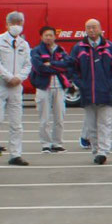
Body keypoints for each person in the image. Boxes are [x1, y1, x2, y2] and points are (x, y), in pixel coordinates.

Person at [70, 18, 112, 163]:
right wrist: (81, 84)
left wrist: (110, 83)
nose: (91, 30)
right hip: (88, 93)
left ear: (100, 29)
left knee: (105, 123)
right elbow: (72, 68)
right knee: (91, 125)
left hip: (105, 93)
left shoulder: (109, 47)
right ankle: (95, 150)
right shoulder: (79, 48)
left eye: (94, 27)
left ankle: (103, 151)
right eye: (88, 28)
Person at [0, 11, 33, 165]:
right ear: (6, 25)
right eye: (13, 22)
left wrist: (19, 78)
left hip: (16, 86)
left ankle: (15, 154)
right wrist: (8, 77)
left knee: (16, 123)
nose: (16, 26)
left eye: (19, 23)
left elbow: (27, 64)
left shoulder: (24, 44)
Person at [29, 25, 73, 153]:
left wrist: (52, 64)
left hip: (59, 87)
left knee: (59, 117)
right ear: (41, 37)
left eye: (51, 35)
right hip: (43, 87)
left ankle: (57, 143)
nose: (49, 37)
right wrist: (58, 67)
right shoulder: (36, 51)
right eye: (46, 35)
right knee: (44, 118)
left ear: (55, 36)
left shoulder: (60, 50)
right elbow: (39, 68)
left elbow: (68, 65)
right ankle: (46, 144)